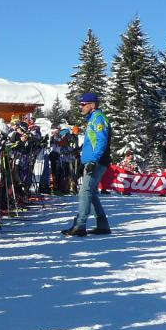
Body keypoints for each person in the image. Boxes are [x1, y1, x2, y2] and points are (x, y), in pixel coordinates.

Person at [62, 92, 111, 236]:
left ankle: (80, 225)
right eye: (80, 104)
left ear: (92, 105)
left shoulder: (98, 119)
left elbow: (101, 141)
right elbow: (92, 142)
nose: (81, 107)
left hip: (97, 161)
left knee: (85, 192)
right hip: (92, 160)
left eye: (83, 104)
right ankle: (103, 225)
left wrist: (93, 160)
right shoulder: (93, 119)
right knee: (92, 193)